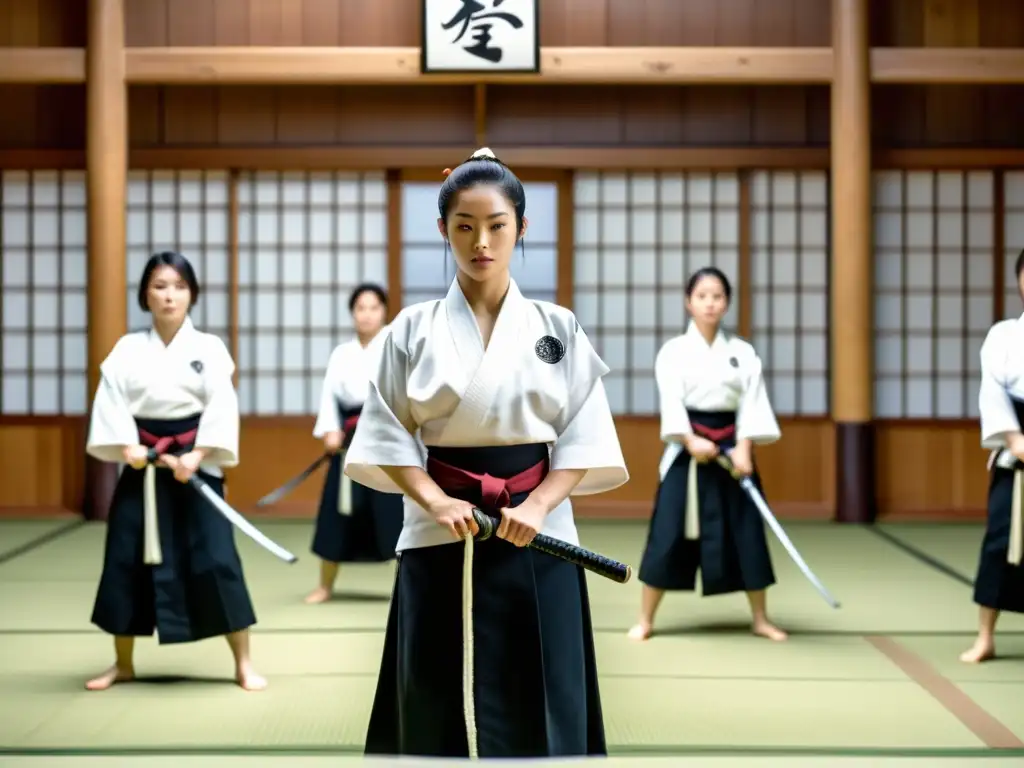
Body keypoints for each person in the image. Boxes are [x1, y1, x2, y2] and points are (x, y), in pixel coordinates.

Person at [343, 148, 629, 759]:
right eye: (464, 226)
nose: (481, 242)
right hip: (439, 523)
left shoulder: (557, 326)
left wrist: (542, 503)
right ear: (442, 229)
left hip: (537, 526)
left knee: (542, 684)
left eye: (497, 225)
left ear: (522, 227)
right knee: (432, 682)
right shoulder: (410, 330)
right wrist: (432, 497)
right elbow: (385, 431)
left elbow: (585, 430)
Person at [83, 251, 265, 692]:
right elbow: (112, 403)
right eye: (160, 286)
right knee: (125, 560)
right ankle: (122, 664)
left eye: (179, 287)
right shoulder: (127, 349)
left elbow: (221, 405)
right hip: (142, 468)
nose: (169, 296)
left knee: (218, 559)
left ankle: (243, 663)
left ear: (192, 294)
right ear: (145, 294)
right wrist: (128, 445)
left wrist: (198, 454)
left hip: (193, 465)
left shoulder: (209, 348)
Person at [628, 267, 787, 643]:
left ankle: (760, 618)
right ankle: (646, 618)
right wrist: (688, 439)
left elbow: (752, 403)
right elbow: (670, 400)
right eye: (702, 296)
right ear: (689, 302)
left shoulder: (742, 352)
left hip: (733, 447)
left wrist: (745, 447)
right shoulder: (674, 352)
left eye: (717, 296)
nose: (710, 303)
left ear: (726, 302)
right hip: (687, 449)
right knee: (667, 531)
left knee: (748, 531)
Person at [305, 283, 404, 604]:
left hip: (385, 442)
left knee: (394, 514)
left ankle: (405, 586)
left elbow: (405, 396)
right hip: (348, 443)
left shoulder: (395, 346)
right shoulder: (342, 353)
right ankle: (325, 585)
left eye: (373, 307)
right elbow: (329, 398)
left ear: (384, 311)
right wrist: (330, 431)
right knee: (337, 512)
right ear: (352, 313)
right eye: (360, 308)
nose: (366, 314)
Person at [961, 248, 1024, 664]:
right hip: (1014, 453)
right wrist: (1016, 439)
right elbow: (992, 391)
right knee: (999, 542)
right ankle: (986, 636)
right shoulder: (1003, 335)